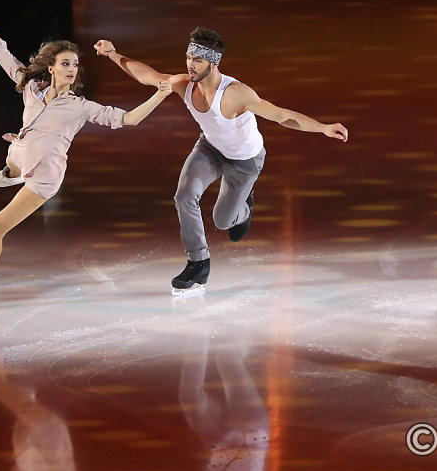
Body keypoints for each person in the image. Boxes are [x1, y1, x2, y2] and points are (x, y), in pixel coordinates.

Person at [0, 0, 173, 303]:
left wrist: (159, 95)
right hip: (22, 153)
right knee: (15, 151)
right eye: (65, 63)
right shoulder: (30, 86)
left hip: (43, 176)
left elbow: (129, 119)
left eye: (75, 64)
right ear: (51, 67)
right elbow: (1, 52)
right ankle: (10, 173)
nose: (72, 69)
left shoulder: (80, 107)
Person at [95, 28, 348, 294]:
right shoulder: (184, 84)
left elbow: (281, 116)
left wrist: (322, 127)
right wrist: (113, 54)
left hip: (245, 161)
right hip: (210, 149)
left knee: (223, 221)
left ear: (214, 63)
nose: (190, 65)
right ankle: (198, 261)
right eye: (188, 58)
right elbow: (149, 76)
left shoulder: (235, 93)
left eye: (198, 60)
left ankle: (245, 208)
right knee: (184, 196)